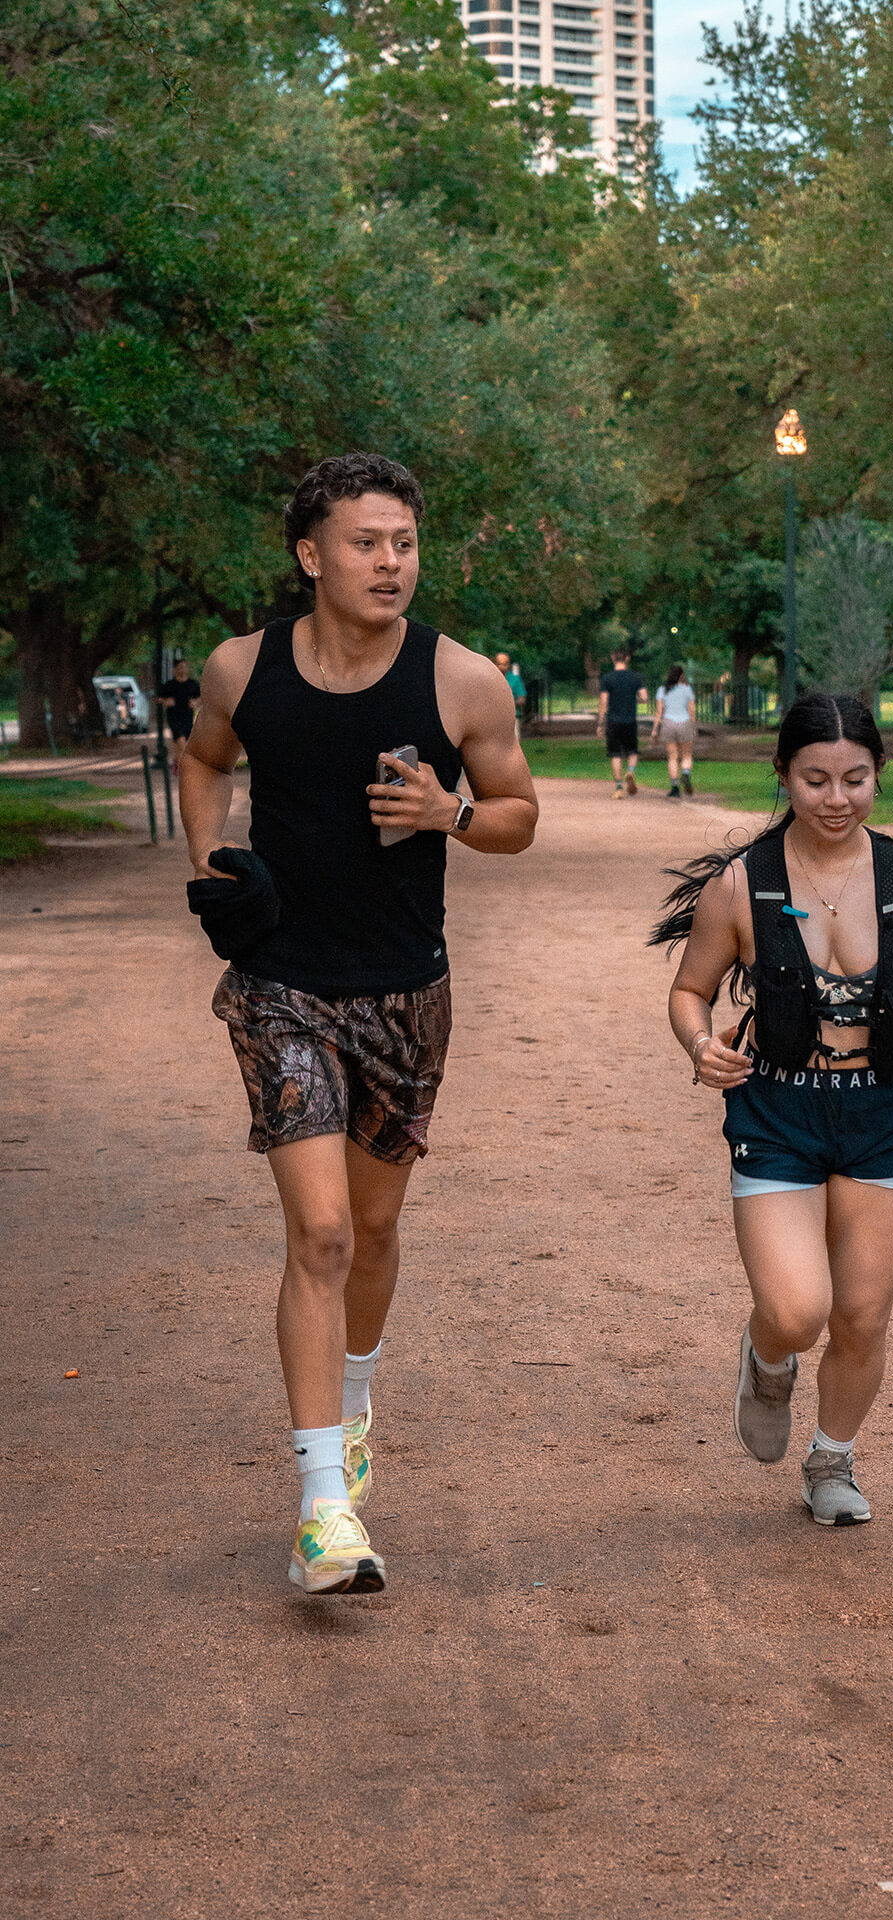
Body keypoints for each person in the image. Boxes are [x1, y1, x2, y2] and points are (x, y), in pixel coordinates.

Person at [180, 450, 537, 1596]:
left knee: (374, 1233)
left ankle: (356, 1392)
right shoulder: (243, 669)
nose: (391, 563)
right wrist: (213, 860)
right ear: (310, 554)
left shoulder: (462, 681)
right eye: (366, 543)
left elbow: (520, 813)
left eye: (405, 543)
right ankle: (323, 1507)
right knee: (323, 1233)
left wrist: (449, 812)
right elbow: (202, 758)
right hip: (281, 984)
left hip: (405, 992)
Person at [651, 692, 893, 1526]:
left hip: (885, 1113)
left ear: (879, 774)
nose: (837, 799)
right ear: (783, 775)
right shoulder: (743, 885)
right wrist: (700, 1046)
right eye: (815, 780)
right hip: (779, 1113)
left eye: (855, 780)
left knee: (862, 1315)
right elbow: (690, 992)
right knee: (799, 1311)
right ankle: (769, 1358)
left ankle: (832, 1461)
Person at [597, 646, 648, 798]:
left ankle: (619, 787)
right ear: (627, 659)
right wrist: (633, 698)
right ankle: (630, 772)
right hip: (630, 720)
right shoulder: (635, 677)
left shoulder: (607, 678)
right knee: (632, 751)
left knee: (615, 754)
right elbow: (644, 697)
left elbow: (604, 701)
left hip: (613, 721)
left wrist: (600, 722)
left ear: (613, 658)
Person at [652, 665, 696, 797]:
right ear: (682, 675)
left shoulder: (662, 690)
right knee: (686, 755)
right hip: (684, 723)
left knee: (672, 757)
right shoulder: (687, 689)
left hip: (668, 723)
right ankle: (686, 774)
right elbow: (692, 710)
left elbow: (659, 712)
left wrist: (655, 729)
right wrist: (693, 727)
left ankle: (675, 787)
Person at [159, 658, 201, 772]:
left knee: (184, 744)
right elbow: (159, 699)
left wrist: (195, 703)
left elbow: (200, 698)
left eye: (185, 667)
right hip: (174, 717)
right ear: (175, 669)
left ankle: (176, 762)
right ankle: (186, 770)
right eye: (180, 667)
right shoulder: (169, 685)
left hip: (187, 717)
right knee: (181, 741)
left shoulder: (192, 684)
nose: (183, 670)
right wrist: (166, 701)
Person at [494, 652, 526, 737]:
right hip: (494, 720)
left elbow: (522, 699)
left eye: (504, 664)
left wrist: (508, 703)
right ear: (495, 664)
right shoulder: (489, 679)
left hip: (512, 719)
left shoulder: (515, 679)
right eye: (499, 664)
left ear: (508, 665)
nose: (501, 667)